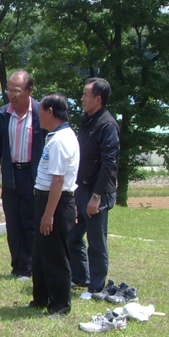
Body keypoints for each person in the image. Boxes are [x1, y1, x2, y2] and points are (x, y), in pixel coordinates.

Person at [0, 70, 44, 280]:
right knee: (13, 222)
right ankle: (16, 266)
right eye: (9, 91)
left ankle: (28, 268)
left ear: (29, 90)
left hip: (32, 174)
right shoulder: (3, 114)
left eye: (17, 91)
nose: (12, 95)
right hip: (11, 174)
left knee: (30, 221)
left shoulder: (40, 112)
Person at [69, 77, 120, 294]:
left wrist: (97, 196)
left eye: (85, 95)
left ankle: (97, 287)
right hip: (81, 188)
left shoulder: (107, 125)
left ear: (97, 99)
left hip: (97, 192)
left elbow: (109, 163)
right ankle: (81, 277)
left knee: (96, 241)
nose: (82, 98)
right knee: (72, 236)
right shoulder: (87, 120)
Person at [30, 93, 79, 316]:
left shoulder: (61, 140)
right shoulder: (54, 136)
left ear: (50, 112)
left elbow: (58, 180)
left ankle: (60, 304)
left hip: (55, 202)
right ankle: (41, 297)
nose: (38, 115)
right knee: (41, 252)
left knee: (55, 254)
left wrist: (49, 214)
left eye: (40, 110)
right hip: (46, 198)